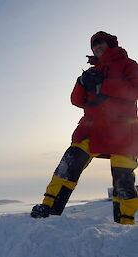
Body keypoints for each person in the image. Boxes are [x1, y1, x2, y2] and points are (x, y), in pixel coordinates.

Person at [31, 31, 138, 225]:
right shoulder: (91, 71)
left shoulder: (128, 65)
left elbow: (135, 90)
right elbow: (76, 100)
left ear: (111, 44)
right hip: (92, 129)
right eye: (94, 45)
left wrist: (102, 86)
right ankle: (49, 207)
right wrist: (82, 82)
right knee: (69, 164)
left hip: (123, 131)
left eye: (101, 43)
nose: (97, 47)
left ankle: (126, 221)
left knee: (124, 178)